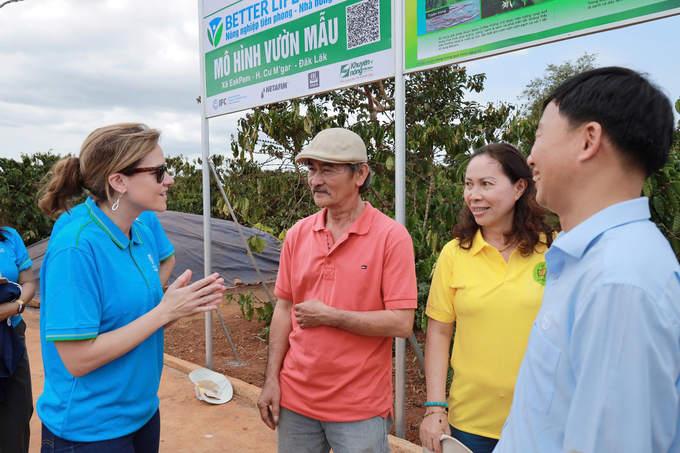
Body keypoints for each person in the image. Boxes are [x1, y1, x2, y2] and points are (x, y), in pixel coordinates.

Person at [494, 67, 680, 453]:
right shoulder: (589, 261)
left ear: (588, 140)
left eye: (540, 134)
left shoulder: (620, 281)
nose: (529, 156)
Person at [37, 123, 226, 453]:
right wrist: (163, 312)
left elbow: (133, 322)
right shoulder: (76, 248)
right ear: (118, 181)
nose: (169, 180)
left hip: (142, 415)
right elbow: (77, 360)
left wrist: (177, 308)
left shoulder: (139, 233)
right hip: (90, 430)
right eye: (159, 172)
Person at [256, 128, 418, 453]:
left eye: (327, 169)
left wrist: (331, 316)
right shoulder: (298, 234)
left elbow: (402, 323)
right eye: (312, 169)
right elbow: (284, 309)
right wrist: (272, 379)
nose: (315, 180)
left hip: (358, 408)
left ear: (360, 174)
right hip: (296, 400)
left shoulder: (391, 237)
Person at [419, 143, 556, 453]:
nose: (473, 195)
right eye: (469, 185)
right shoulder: (455, 254)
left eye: (485, 184)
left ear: (520, 187)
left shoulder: (553, 249)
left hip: (540, 420)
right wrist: (435, 408)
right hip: (469, 424)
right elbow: (439, 332)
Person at [49, 198, 176, 287]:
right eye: (155, 172)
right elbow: (57, 280)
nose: (168, 181)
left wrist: (153, 301)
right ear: (117, 181)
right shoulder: (70, 222)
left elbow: (168, 259)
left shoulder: (145, 220)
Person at [0, 222, 36, 453]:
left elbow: (28, 283)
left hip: (12, 335)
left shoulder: (9, 237)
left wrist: (17, 306)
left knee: (18, 410)